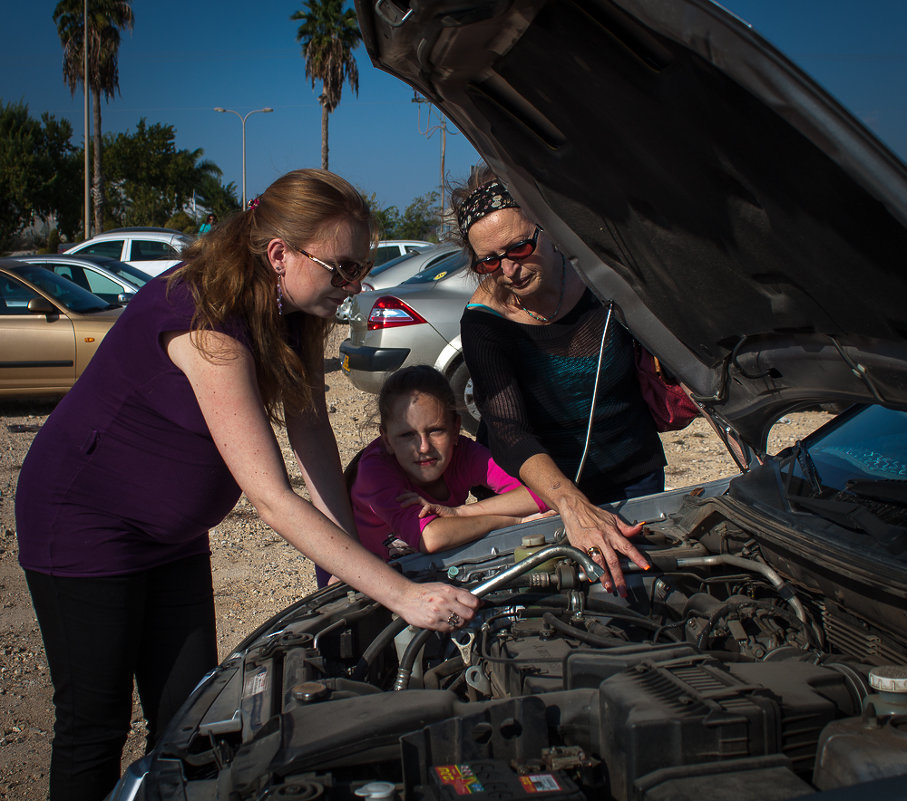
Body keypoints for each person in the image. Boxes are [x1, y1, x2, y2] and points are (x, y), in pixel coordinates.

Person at [15, 168, 479, 801]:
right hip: (84, 520)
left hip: (174, 535)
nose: (355, 285)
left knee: (189, 718)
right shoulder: (205, 320)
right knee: (94, 728)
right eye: (342, 268)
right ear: (279, 255)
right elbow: (270, 495)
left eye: (360, 268)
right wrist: (401, 595)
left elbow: (312, 432)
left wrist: (351, 559)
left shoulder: (295, 312)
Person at [453, 167, 666, 597]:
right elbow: (508, 431)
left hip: (634, 477)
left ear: (547, 228)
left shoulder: (606, 281)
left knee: (640, 593)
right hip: (541, 499)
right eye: (489, 261)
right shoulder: (483, 323)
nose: (508, 270)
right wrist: (570, 504)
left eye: (519, 247)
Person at [350, 365, 549, 561]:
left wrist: (460, 512)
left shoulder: (463, 453)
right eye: (407, 435)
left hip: (421, 571)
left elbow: (544, 492)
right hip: (352, 581)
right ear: (386, 440)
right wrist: (511, 521)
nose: (424, 447)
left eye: (436, 430)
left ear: (455, 429)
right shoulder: (376, 471)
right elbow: (430, 537)